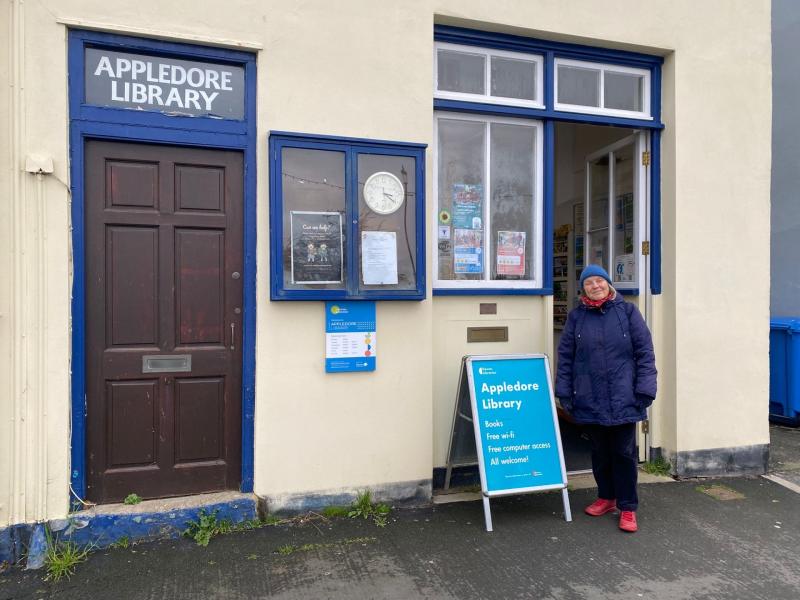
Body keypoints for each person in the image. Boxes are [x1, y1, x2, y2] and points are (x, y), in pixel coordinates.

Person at [555, 264, 657, 533]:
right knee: (600, 453)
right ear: (583, 288)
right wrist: (564, 392)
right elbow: (566, 357)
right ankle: (606, 497)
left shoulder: (628, 312)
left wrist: (645, 389)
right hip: (589, 396)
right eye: (589, 283)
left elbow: (645, 352)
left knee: (623, 454)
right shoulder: (577, 317)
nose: (595, 286)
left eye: (600, 281)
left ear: (609, 284)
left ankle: (628, 507)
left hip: (625, 396)